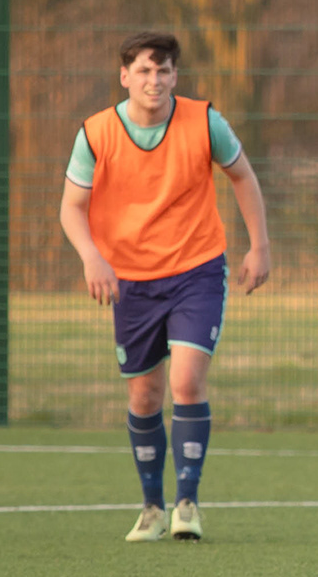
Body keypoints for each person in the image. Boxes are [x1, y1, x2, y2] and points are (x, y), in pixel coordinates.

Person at [59, 31, 278, 545]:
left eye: (163, 71)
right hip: (130, 279)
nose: (153, 81)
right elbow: (72, 206)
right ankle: (151, 508)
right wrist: (93, 256)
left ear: (175, 76)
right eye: (143, 71)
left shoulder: (204, 121)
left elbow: (243, 177)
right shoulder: (96, 133)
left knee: (185, 382)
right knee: (144, 395)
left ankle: (187, 503)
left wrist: (259, 245)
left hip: (196, 270)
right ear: (124, 77)